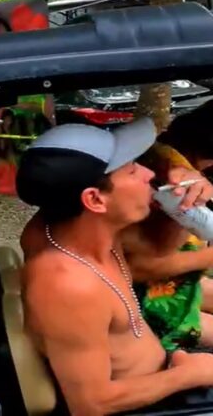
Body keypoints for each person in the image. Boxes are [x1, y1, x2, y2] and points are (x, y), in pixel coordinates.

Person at [18, 119, 213, 415]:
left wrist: (182, 199)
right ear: (95, 199)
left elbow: (159, 249)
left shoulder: (87, 230)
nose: (149, 174)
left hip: (164, 376)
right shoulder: (67, 284)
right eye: (132, 169)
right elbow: (91, 404)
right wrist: (188, 375)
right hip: (147, 407)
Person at [121, 104, 213, 350]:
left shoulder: (166, 160)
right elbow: (139, 268)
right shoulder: (167, 185)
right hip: (151, 302)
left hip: (175, 287)